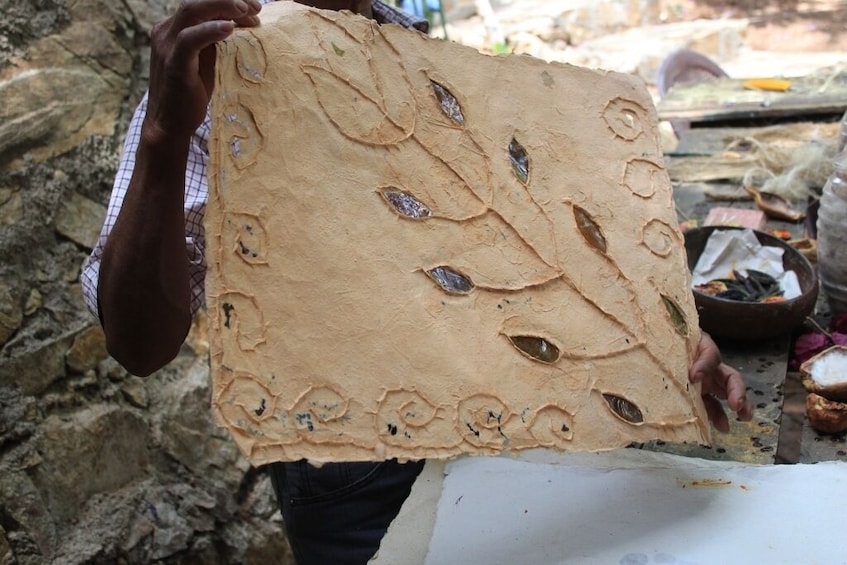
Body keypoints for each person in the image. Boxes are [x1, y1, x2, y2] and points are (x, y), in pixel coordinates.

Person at [80, 1, 754, 563]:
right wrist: (165, 138)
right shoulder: (218, 73)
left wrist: (662, 355)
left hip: (499, 441)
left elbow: (511, 259)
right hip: (354, 480)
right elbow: (139, 344)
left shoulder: (404, 40)